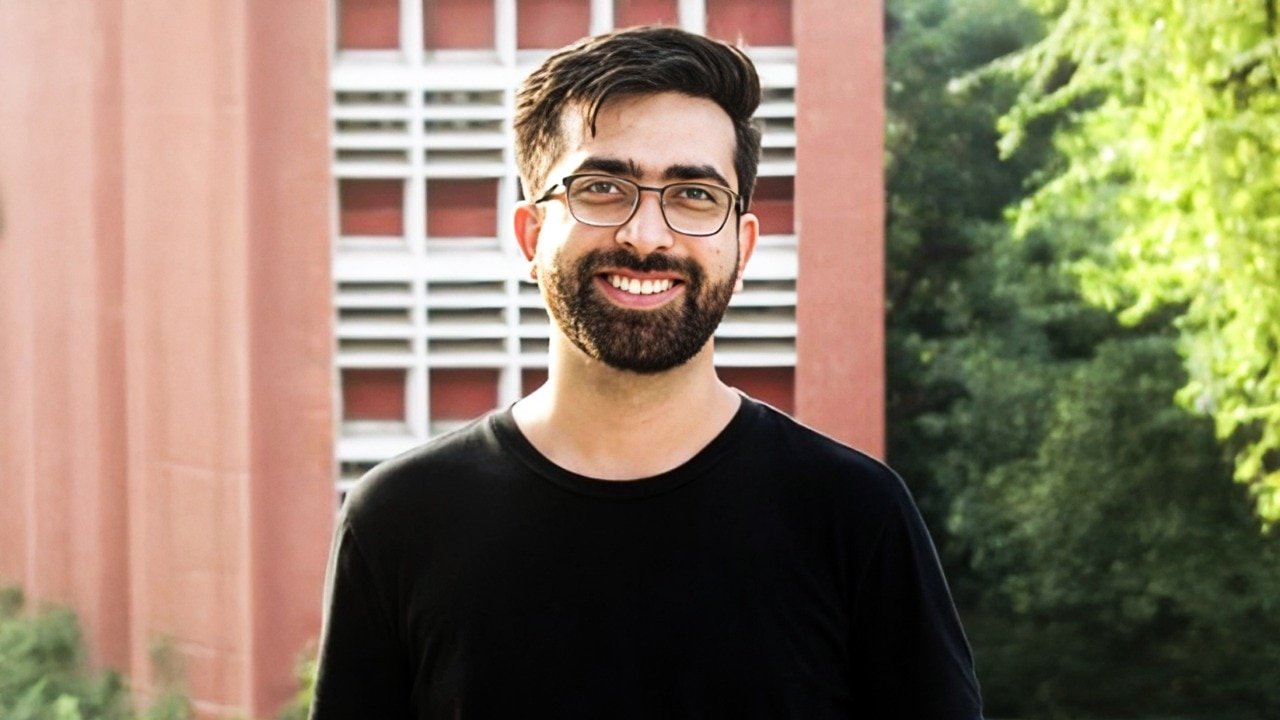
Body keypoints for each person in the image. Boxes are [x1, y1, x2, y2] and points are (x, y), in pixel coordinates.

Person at [309, 26, 982, 719]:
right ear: (531, 236)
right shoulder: (399, 520)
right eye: (602, 188)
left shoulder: (854, 516)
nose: (646, 234)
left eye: (694, 195)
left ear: (742, 249)